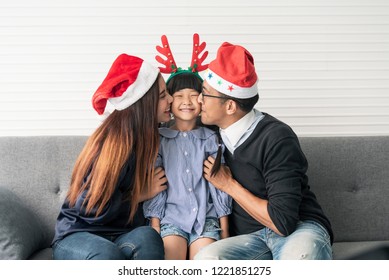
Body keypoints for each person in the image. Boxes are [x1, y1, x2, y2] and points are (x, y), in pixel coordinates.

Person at [194, 42, 334, 260]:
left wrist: (228, 184)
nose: (198, 100)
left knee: (299, 256)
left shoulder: (277, 138)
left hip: (298, 229)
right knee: (206, 260)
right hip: (250, 239)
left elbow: (282, 222)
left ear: (230, 106)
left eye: (205, 94)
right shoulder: (209, 129)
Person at [52, 53, 173, 260]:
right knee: (106, 254)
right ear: (143, 104)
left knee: (148, 237)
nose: (171, 99)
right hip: (78, 234)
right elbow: (89, 208)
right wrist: (139, 194)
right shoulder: (114, 145)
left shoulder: (152, 137)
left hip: (120, 234)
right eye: (162, 96)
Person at [143, 34, 232, 260]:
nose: (187, 101)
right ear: (169, 101)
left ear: (203, 99)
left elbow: (218, 186)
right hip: (171, 220)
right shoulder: (159, 140)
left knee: (206, 261)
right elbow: (157, 185)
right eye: (179, 96)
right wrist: (155, 226)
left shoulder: (211, 139)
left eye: (194, 95)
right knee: (170, 259)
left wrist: (226, 230)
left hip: (207, 220)